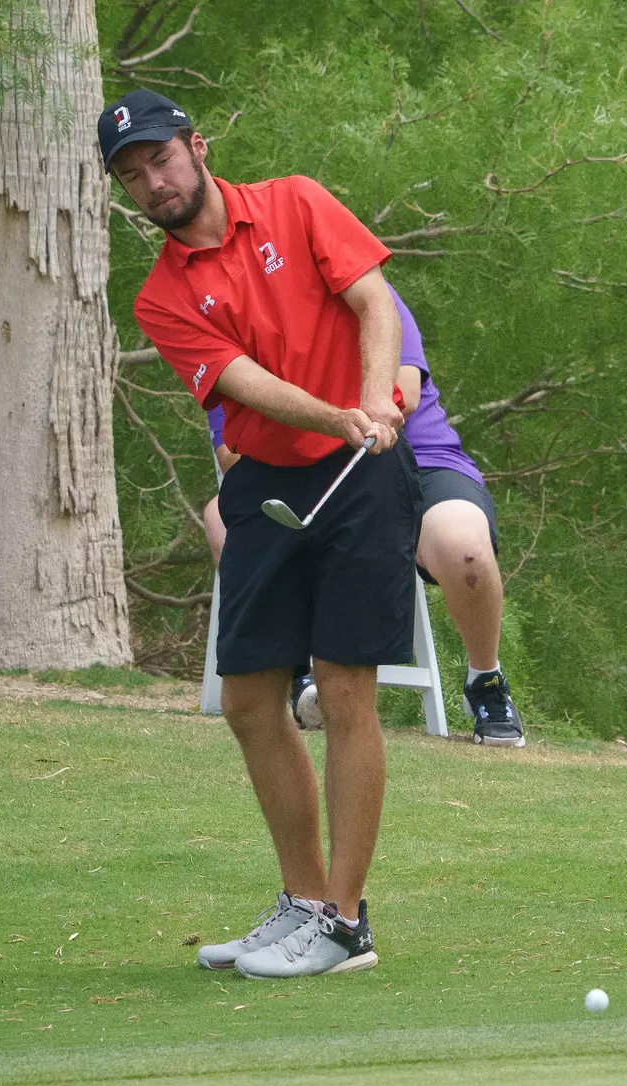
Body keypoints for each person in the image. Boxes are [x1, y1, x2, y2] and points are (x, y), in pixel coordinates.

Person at [101, 88, 417, 980]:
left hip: (362, 477)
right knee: (247, 700)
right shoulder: (163, 297)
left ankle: (346, 923)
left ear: (196, 148)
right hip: (269, 483)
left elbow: (374, 302)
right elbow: (241, 382)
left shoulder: (295, 202)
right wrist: (336, 414)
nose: (153, 182)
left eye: (161, 159)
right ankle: (305, 901)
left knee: (345, 692)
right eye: (132, 175)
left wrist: (372, 401)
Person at [201, 283, 525, 747]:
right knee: (221, 517)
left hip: (420, 459)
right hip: (300, 477)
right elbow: (231, 456)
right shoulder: (235, 333)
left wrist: (308, 415)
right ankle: (296, 671)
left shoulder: (367, 292)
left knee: (465, 552)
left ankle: (485, 680)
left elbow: (402, 395)